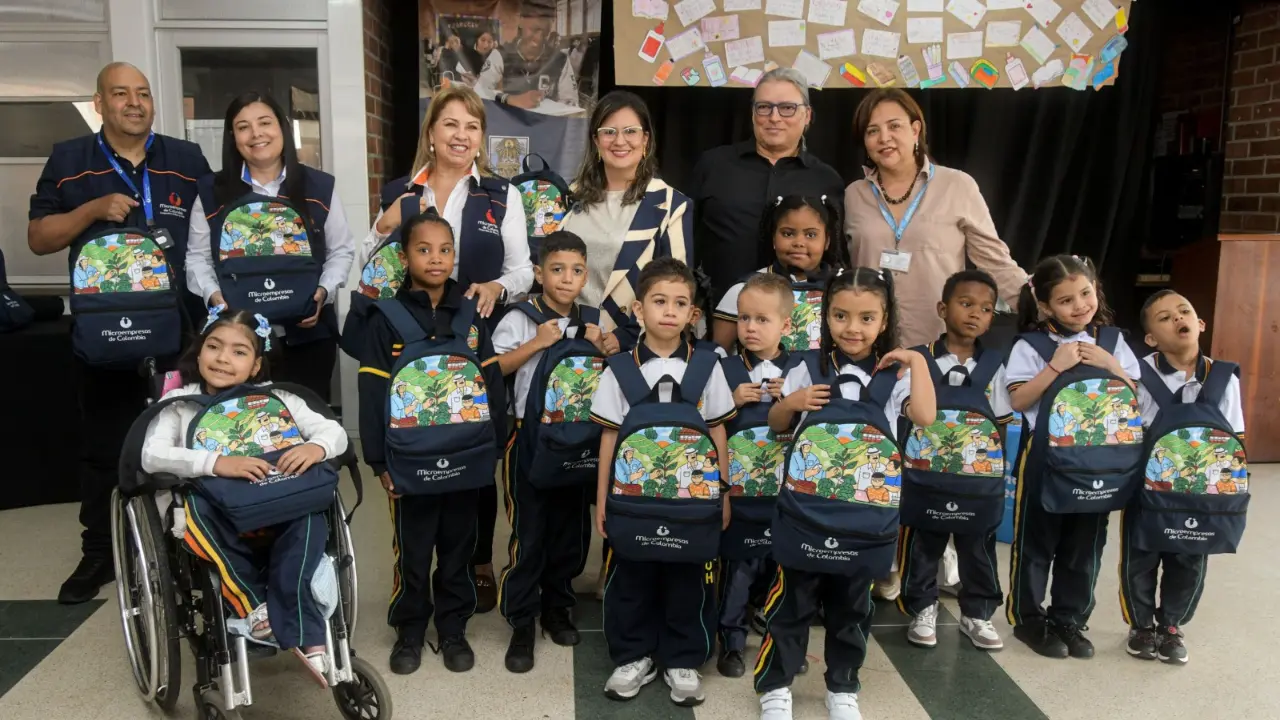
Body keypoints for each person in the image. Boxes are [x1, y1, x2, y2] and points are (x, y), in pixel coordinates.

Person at [27, 62, 211, 605]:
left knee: (182, 437)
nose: (134, 102)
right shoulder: (69, 160)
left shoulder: (186, 159)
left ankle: (188, 544)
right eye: (121, 93)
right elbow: (38, 238)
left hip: (179, 331)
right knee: (104, 443)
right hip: (105, 332)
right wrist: (91, 209)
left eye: (143, 94)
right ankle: (99, 554)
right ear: (99, 103)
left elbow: (213, 234)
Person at [363, 84, 532, 611]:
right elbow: (374, 269)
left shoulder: (503, 195)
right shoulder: (401, 190)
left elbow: (524, 268)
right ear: (431, 133)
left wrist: (497, 288)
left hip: (473, 341)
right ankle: (413, 571)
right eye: (451, 124)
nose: (461, 135)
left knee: (473, 444)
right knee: (416, 439)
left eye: (472, 126)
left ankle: (476, 562)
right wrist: (382, 227)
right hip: (406, 343)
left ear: (482, 137)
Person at [758, 267, 936, 720]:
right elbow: (777, 426)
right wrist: (790, 404)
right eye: (840, 315)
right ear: (825, 316)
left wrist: (916, 361)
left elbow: (927, 417)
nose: (852, 328)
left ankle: (843, 685)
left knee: (852, 607)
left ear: (884, 319)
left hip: (865, 518)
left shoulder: (895, 374)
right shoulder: (805, 364)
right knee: (790, 602)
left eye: (866, 318)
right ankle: (775, 684)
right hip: (804, 513)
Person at [140, 307, 348, 686]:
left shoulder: (279, 398)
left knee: (310, 509)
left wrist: (316, 448)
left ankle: (303, 627)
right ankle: (256, 606)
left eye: (239, 352)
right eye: (214, 347)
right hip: (215, 506)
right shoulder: (179, 404)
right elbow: (151, 456)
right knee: (193, 511)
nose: (222, 358)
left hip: (277, 498)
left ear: (256, 366)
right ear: (199, 351)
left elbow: (335, 432)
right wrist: (217, 462)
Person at [358, 210, 507, 676]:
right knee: (415, 548)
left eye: (445, 250)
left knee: (460, 545)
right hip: (409, 461)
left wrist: (495, 447)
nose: (436, 259)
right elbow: (372, 392)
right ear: (404, 257)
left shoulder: (470, 313)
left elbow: (490, 382)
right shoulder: (386, 319)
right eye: (424, 250)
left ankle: (453, 626)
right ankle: (409, 627)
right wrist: (379, 460)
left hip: (467, 455)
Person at [590, 258, 736, 707]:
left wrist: (724, 494)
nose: (669, 312)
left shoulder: (708, 366)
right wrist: (602, 503)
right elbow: (609, 439)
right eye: (659, 302)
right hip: (631, 503)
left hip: (693, 504)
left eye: (680, 303)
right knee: (630, 579)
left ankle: (683, 658)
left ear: (693, 314)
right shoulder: (618, 368)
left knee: (687, 580)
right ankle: (633, 655)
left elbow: (717, 433)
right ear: (638, 309)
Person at [1005, 255, 1141, 659]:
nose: (1080, 305)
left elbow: (1138, 399)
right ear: (1046, 306)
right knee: (1037, 542)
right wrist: (1054, 367)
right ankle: (1028, 619)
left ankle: (1069, 618)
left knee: (1086, 545)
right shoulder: (1029, 345)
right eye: (1065, 300)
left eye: (1085, 293)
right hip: (1045, 460)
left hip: (1101, 462)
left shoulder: (1114, 342)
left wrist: (1112, 365)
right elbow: (1018, 399)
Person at [186, 92, 355, 403]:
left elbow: (341, 251)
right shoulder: (211, 192)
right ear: (233, 137)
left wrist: (323, 292)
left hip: (308, 339)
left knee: (307, 428)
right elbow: (197, 257)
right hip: (235, 346)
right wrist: (215, 297)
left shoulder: (319, 186)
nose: (256, 134)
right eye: (243, 127)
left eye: (265, 122)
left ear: (283, 128)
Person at [491, 231, 609, 673]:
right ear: (539, 273)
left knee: (570, 529)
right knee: (531, 530)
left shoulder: (592, 318)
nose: (566, 278)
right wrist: (536, 343)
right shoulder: (520, 317)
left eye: (576, 271)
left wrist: (607, 348)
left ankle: (558, 605)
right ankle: (522, 619)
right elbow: (494, 368)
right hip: (529, 439)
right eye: (556, 269)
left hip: (579, 439)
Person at [844, 88, 1027, 348]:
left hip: (938, 345)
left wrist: (1042, 310)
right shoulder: (853, 195)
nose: (884, 138)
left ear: (915, 129)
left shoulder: (957, 185)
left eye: (894, 126)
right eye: (872, 131)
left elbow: (995, 262)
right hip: (869, 347)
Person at [1119, 290, 1245, 665]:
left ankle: (1171, 625)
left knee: (1190, 557)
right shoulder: (1137, 374)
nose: (1178, 319)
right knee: (1140, 554)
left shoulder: (1225, 377)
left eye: (1184, 312)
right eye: (1164, 317)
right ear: (1151, 338)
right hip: (1148, 485)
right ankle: (1141, 625)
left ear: (1200, 323)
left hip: (1201, 489)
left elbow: (1235, 437)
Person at [898, 270, 1014, 653]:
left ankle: (978, 613)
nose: (975, 314)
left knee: (977, 548)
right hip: (926, 479)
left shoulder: (995, 366)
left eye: (985, 309)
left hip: (976, 482)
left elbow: (1000, 425)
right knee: (923, 546)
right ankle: (922, 607)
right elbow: (906, 411)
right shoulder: (918, 359)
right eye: (966, 304)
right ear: (942, 308)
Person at [690, 68, 844, 300]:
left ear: (808, 115)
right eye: (764, 107)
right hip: (718, 313)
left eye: (787, 108)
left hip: (798, 319)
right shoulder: (713, 165)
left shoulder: (826, 179)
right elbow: (685, 242)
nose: (774, 117)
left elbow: (835, 256)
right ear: (753, 114)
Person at [561, 90, 693, 350]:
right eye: (609, 131)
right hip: (568, 343)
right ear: (596, 141)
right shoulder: (568, 197)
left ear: (645, 139)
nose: (619, 141)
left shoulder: (670, 204)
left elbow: (677, 288)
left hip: (635, 347)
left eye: (630, 131)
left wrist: (627, 335)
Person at [716, 273, 792, 679]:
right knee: (739, 567)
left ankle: (779, 640)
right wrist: (731, 401)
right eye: (744, 318)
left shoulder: (800, 369)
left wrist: (792, 401)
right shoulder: (722, 367)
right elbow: (703, 424)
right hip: (740, 493)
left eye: (763, 319)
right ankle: (730, 640)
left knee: (779, 567)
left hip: (783, 495)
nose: (750, 327)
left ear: (786, 325)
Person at [712, 195, 846, 353]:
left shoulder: (843, 289)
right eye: (788, 234)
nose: (799, 242)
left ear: (827, 241)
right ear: (774, 239)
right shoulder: (746, 289)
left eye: (811, 235)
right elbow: (717, 355)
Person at [474, 4, 578, 112]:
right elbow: (479, 92)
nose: (538, 38)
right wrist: (509, 99)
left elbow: (572, 105)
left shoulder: (560, 60)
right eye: (533, 30)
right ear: (521, 22)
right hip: (511, 121)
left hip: (547, 124)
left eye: (545, 32)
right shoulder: (501, 54)